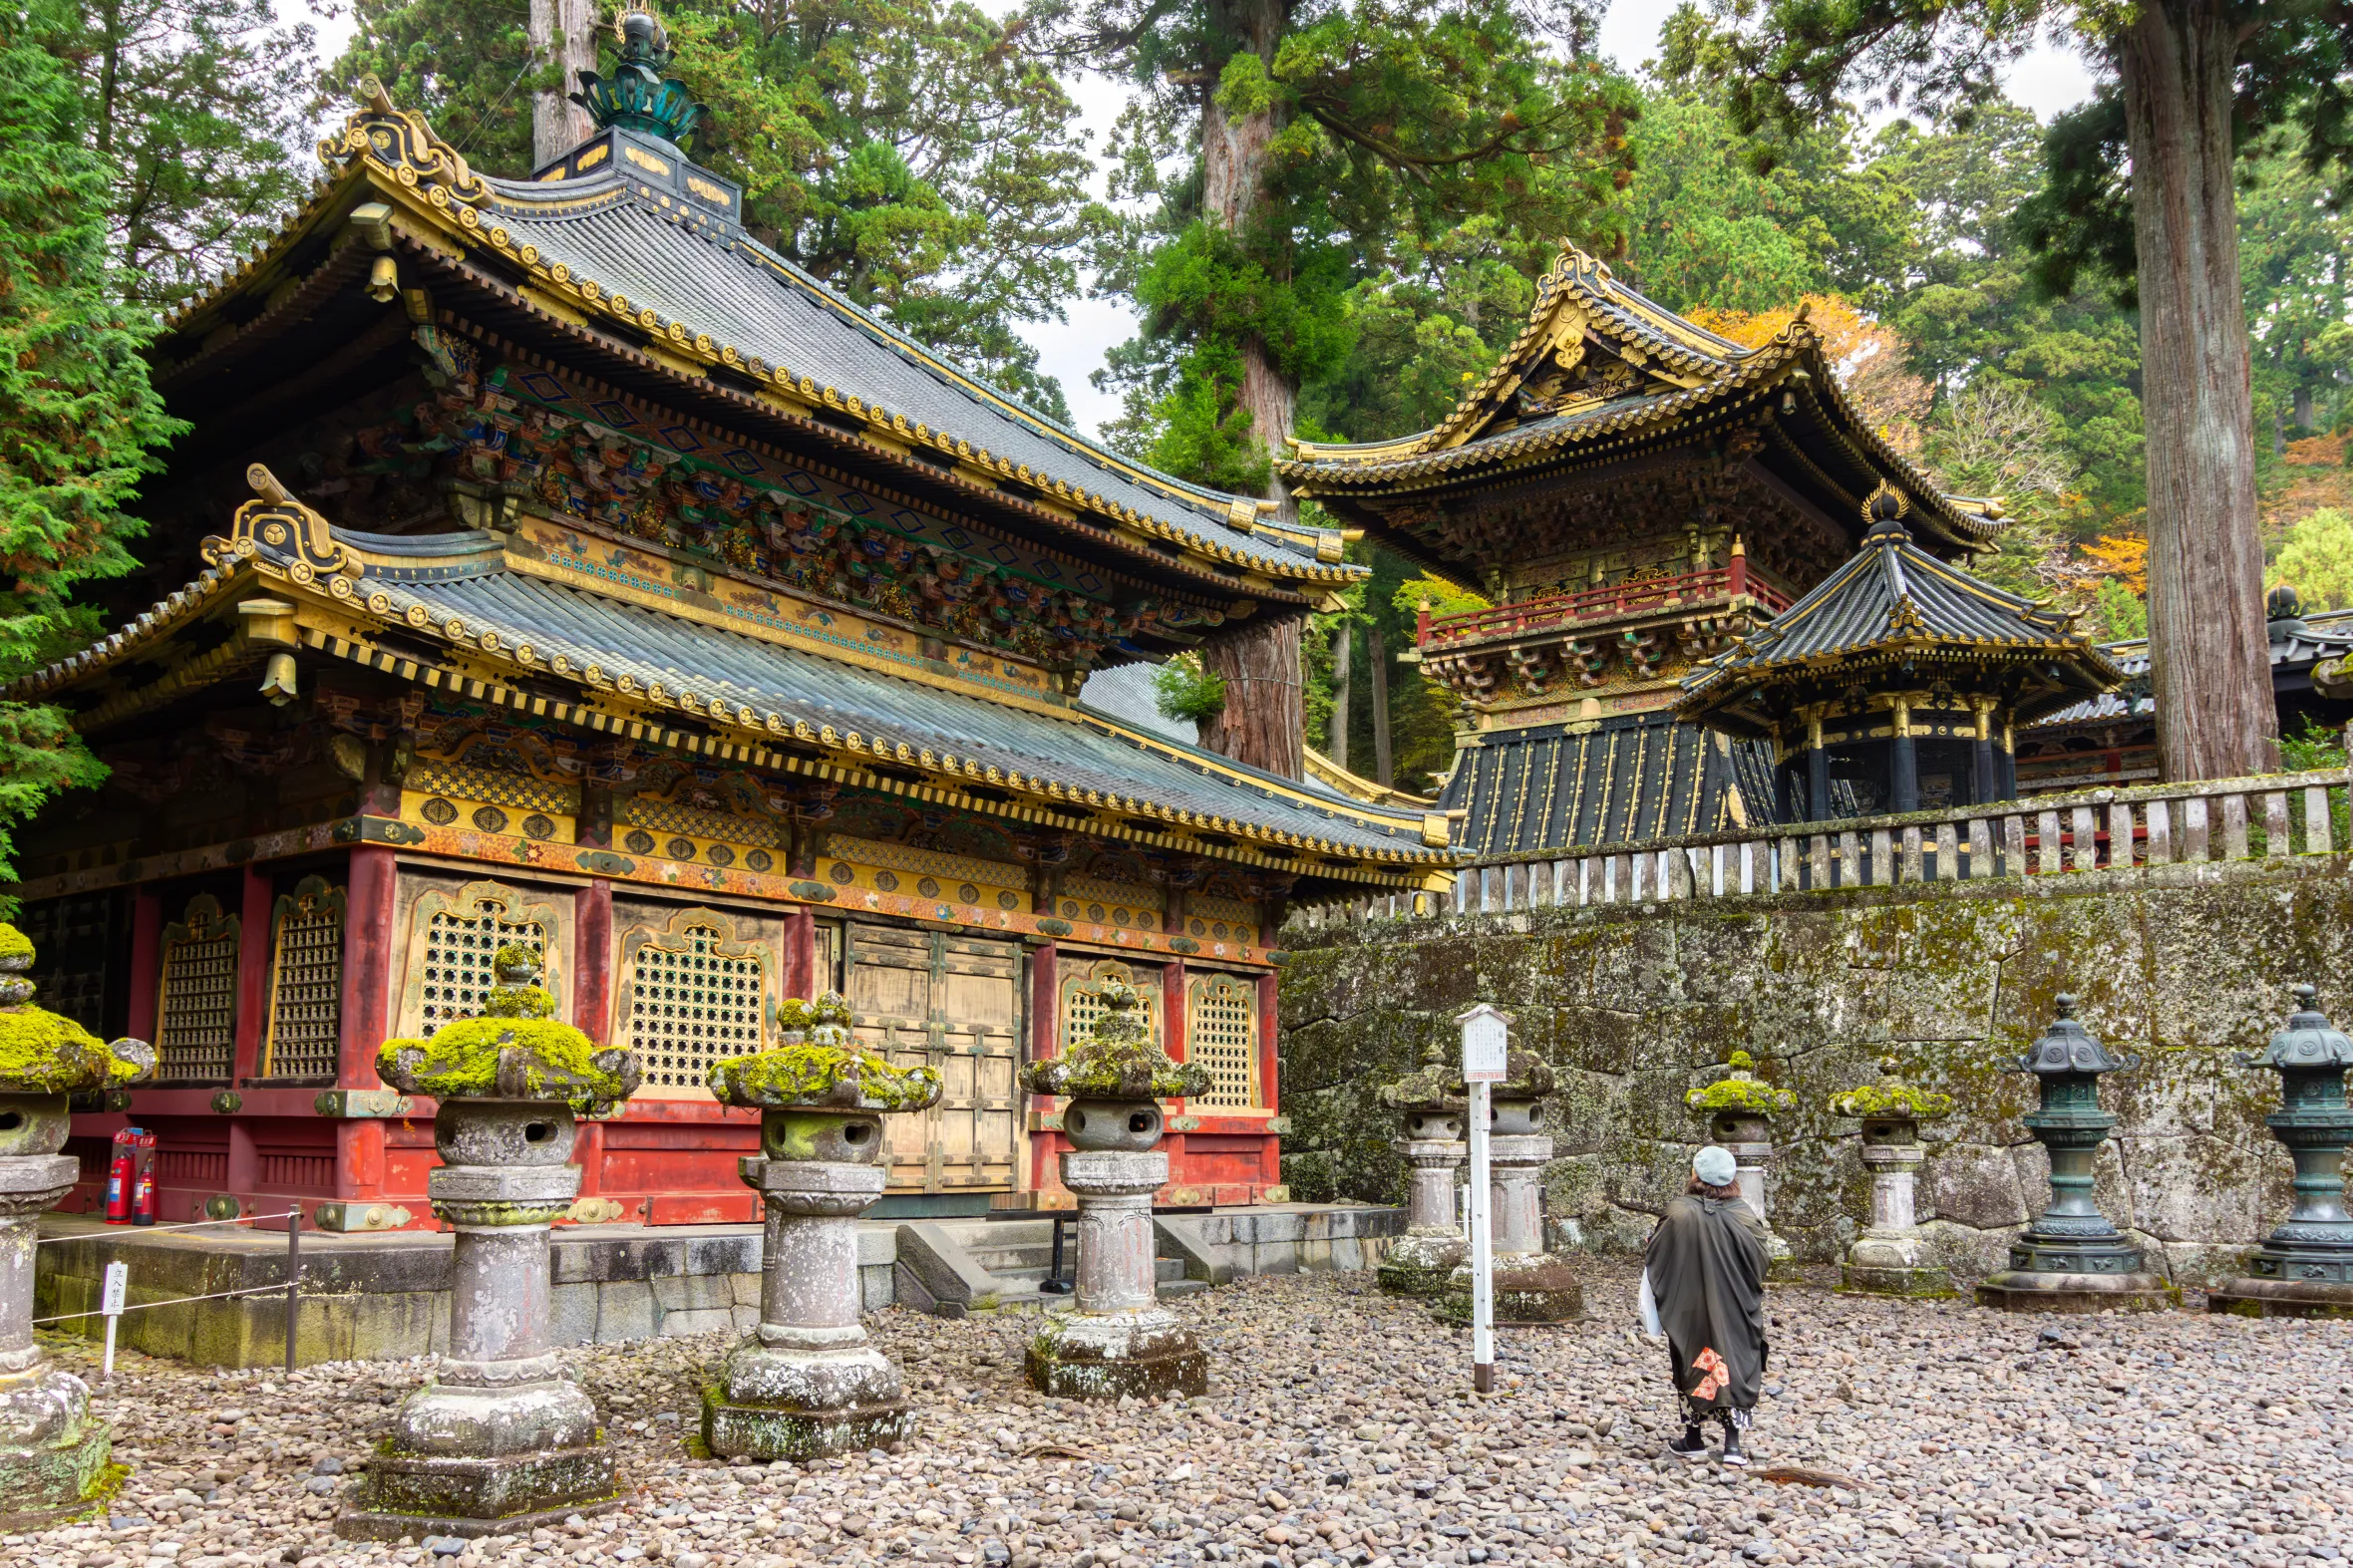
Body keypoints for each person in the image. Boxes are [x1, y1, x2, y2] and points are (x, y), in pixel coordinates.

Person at [1642, 1145, 1770, 1465]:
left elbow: (1657, 1251)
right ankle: (1733, 1446)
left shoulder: (1679, 1212)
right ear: (1731, 1178)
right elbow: (1760, 1259)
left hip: (1690, 1305)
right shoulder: (1743, 1214)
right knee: (1737, 1361)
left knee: (1692, 1359)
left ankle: (1694, 1438)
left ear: (1696, 1174)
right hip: (1735, 1305)